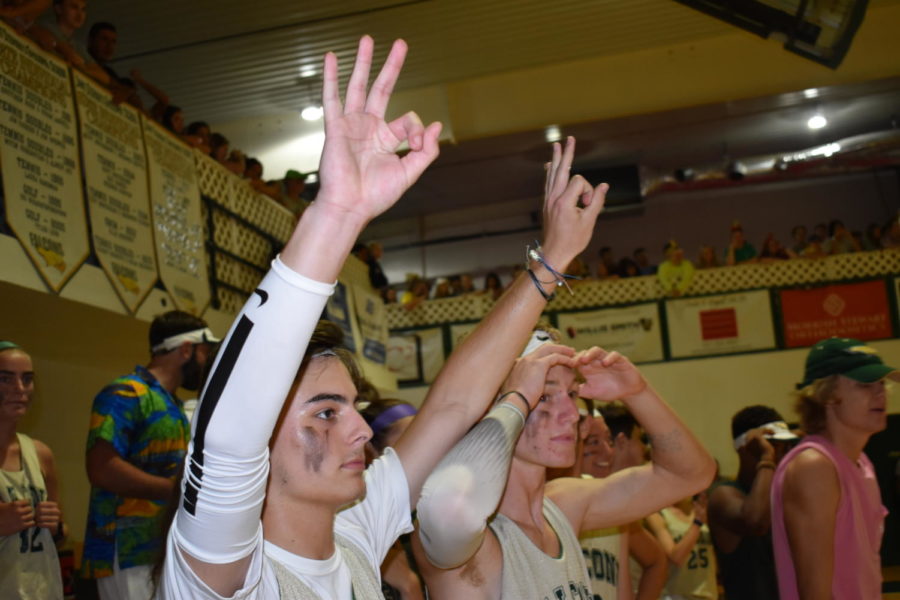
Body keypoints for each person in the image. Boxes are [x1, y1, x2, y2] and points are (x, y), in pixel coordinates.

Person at [154, 35, 599, 600]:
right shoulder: (223, 574)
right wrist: (336, 215)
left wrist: (552, 263)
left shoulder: (358, 531)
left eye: (353, 408)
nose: (362, 430)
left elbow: (455, 407)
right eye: (325, 413)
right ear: (261, 441)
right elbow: (227, 437)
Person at [411, 196, 716, 600]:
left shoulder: (565, 506)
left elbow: (691, 474)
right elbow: (447, 512)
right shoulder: (471, 541)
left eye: (572, 395)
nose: (572, 415)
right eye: (543, 397)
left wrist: (637, 393)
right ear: (496, 406)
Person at [81, 311, 218, 599]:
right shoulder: (125, 393)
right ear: (185, 350)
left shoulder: (173, 405)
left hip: (162, 547)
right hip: (127, 549)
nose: (206, 361)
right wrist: (177, 491)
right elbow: (102, 468)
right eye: (205, 351)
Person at [771, 337, 896, 599]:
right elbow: (815, 592)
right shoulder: (814, 467)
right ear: (826, 394)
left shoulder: (863, 464)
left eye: (881, 383)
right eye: (865, 384)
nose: (881, 393)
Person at [708, 405, 797, 600]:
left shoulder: (782, 493)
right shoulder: (723, 495)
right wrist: (766, 459)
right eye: (775, 445)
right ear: (747, 448)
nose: (782, 453)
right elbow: (756, 522)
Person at [0, 341, 65, 600]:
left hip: (41, 590)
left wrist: (57, 527)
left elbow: (59, 534)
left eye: (27, 379)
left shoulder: (40, 454)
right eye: (6, 379)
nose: (20, 389)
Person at [580, 411, 668, 600]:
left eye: (609, 442)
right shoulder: (553, 501)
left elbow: (656, 560)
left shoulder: (617, 509)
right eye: (594, 442)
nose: (608, 451)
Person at [360, 399, 425, 600]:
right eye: (411, 442)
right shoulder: (365, 531)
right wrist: (409, 585)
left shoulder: (426, 516)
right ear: (370, 451)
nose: (425, 451)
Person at [647, 495, 718, 600]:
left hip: (707, 593)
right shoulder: (657, 514)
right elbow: (676, 557)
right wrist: (697, 523)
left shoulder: (702, 510)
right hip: (676, 594)